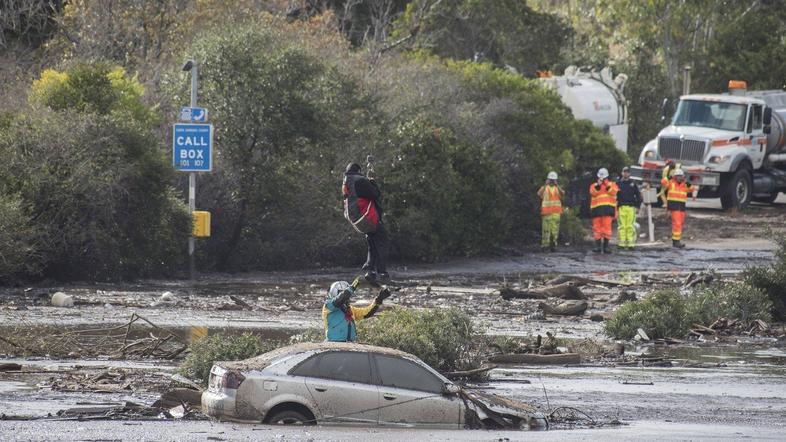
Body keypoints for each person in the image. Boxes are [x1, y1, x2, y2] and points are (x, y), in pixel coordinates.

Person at [343, 163, 389, 284]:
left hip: (358, 221)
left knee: (372, 241)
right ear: (358, 170)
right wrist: (372, 181)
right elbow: (375, 195)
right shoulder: (360, 181)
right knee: (382, 239)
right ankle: (382, 272)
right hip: (368, 218)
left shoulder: (346, 182)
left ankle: (370, 271)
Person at [323, 278, 391, 342]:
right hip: (333, 344)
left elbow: (367, 313)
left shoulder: (350, 309)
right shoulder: (328, 306)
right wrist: (352, 287)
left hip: (349, 345)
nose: (348, 298)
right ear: (335, 293)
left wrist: (378, 300)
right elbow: (340, 299)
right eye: (342, 293)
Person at [661, 166, 696, 248]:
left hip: (681, 207)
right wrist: (669, 175)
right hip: (674, 207)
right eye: (678, 176)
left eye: (681, 176)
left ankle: (676, 240)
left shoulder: (684, 185)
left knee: (680, 223)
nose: (680, 178)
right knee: (677, 224)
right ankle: (676, 242)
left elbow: (692, 189)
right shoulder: (671, 183)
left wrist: (687, 182)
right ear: (675, 176)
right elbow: (663, 182)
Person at [589, 168, 618, 254]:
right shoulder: (593, 185)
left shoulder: (612, 184)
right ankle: (597, 247)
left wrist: (607, 185)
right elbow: (593, 192)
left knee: (607, 229)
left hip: (608, 210)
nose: (602, 179)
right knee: (597, 229)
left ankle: (606, 247)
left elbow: (614, 192)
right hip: (596, 210)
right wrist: (598, 185)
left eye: (604, 178)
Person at [537, 171, 565, 252]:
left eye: (553, 180)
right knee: (546, 230)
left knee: (554, 230)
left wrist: (557, 185)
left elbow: (563, 194)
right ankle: (545, 246)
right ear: (548, 179)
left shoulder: (558, 188)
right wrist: (545, 184)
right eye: (551, 180)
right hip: (546, 212)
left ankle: (553, 245)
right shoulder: (545, 188)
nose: (552, 181)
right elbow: (539, 193)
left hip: (556, 212)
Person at [616, 167, 642, 250]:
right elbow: (614, 196)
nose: (626, 173)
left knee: (630, 226)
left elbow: (638, 196)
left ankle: (631, 244)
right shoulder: (618, 183)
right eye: (624, 172)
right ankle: (622, 243)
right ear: (622, 173)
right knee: (622, 226)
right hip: (621, 207)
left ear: (629, 174)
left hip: (631, 207)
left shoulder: (633, 184)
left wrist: (638, 206)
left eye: (627, 172)